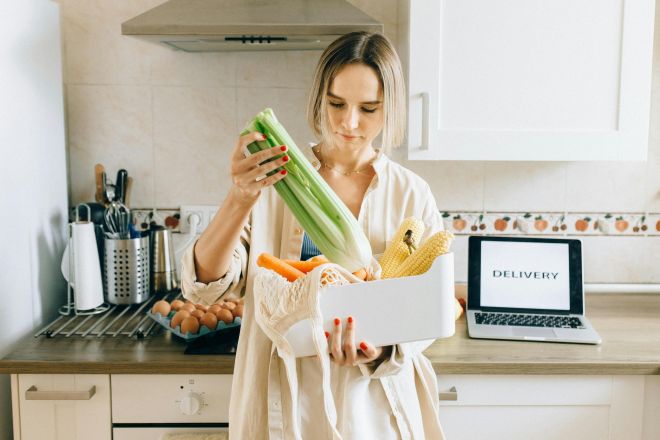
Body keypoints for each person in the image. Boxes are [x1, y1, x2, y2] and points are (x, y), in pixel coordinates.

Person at [181, 31, 446, 439]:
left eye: (369, 108)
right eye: (336, 103)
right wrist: (240, 196)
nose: (349, 122)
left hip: (371, 407)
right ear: (319, 97)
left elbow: (426, 311)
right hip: (280, 402)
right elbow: (204, 289)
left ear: (390, 108)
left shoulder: (411, 193)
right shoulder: (276, 181)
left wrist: (380, 350)